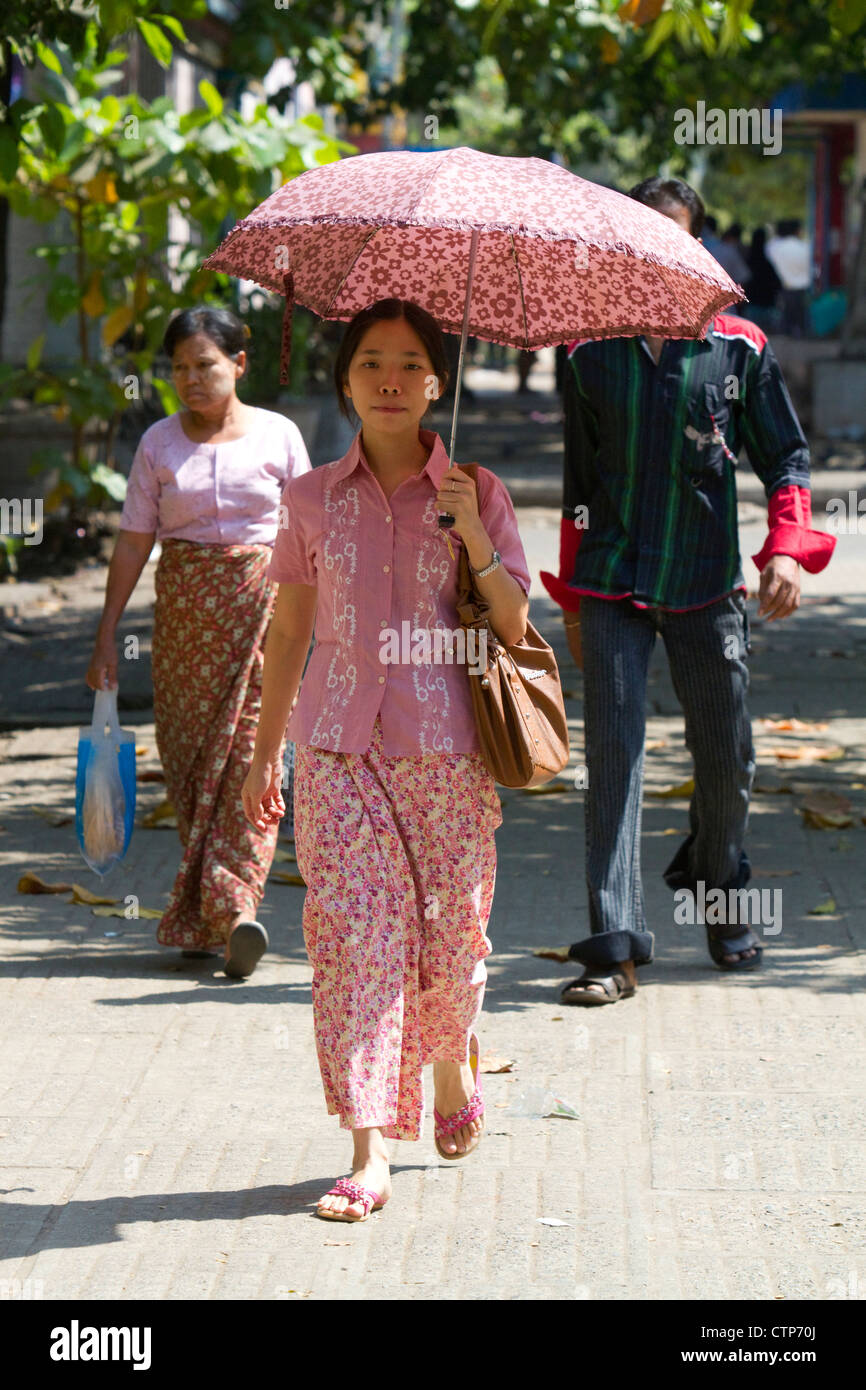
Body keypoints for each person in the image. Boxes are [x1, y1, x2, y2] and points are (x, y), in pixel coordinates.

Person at [241, 298, 531, 1220]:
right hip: (335, 750)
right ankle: (367, 1150)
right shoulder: (310, 499)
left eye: (410, 363)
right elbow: (287, 631)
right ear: (346, 380)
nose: (392, 380)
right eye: (371, 363)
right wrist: (264, 758)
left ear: (439, 380)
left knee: (449, 946)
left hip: (446, 752)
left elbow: (516, 625)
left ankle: (451, 1065)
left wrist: (473, 537)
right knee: (356, 944)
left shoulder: (477, 492)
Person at [540, 176, 836, 1004]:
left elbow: (787, 458)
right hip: (611, 584)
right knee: (615, 758)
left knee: (727, 759)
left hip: (707, 584)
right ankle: (613, 945)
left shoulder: (739, 348)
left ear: (698, 247)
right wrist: (567, 600)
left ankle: (717, 880)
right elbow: (577, 487)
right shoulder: (587, 352)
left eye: (678, 237)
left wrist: (786, 548)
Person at [86, 307, 311, 976]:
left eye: (204, 365)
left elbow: (309, 533)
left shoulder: (279, 434)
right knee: (188, 765)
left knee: (251, 757)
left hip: (263, 620)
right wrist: (106, 635)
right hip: (183, 626)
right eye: (179, 367)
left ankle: (235, 907)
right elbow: (133, 541)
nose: (190, 379)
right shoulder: (157, 443)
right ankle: (209, 913)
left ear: (239, 364)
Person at [766, 219, 811, 336]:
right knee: (801, 317)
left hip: (784, 287)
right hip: (803, 288)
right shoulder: (805, 247)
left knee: (784, 318)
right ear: (797, 231)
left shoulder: (773, 247)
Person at [743, 226, 783, 333]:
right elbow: (776, 282)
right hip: (767, 303)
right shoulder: (767, 263)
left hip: (751, 302)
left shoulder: (747, 261)